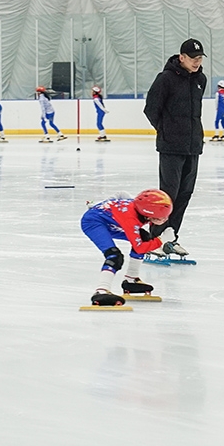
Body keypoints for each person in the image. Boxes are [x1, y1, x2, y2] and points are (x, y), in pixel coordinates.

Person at [142, 38, 208, 258]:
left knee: (185, 194)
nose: (197, 62)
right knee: (168, 194)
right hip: (171, 147)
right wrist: (165, 131)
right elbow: (151, 109)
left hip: (193, 146)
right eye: (193, 58)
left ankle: (171, 237)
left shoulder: (201, 80)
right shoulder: (166, 79)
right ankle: (155, 238)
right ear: (182, 58)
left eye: (199, 58)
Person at [81, 189, 175, 306]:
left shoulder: (139, 209)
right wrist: (161, 240)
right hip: (93, 223)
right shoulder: (131, 218)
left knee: (144, 237)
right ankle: (101, 291)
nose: (165, 219)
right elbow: (140, 248)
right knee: (114, 256)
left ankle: (131, 279)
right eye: (161, 217)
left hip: (110, 220)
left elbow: (121, 194)